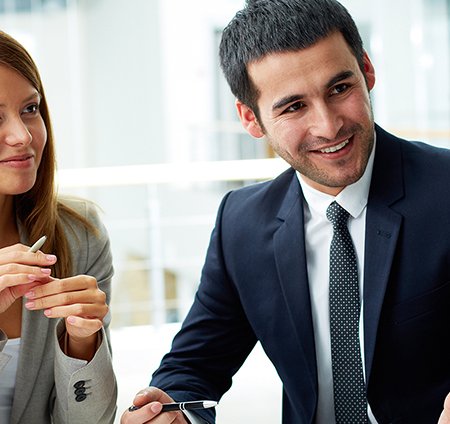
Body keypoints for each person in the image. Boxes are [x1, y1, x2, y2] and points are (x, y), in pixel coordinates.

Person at [121, 0, 450, 423]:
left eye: (339, 89)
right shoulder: (241, 222)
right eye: (293, 106)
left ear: (366, 70)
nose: (329, 126)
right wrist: (167, 411)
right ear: (251, 119)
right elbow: (193, 367)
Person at [0, 30, 117, 423]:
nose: (22, 136)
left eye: (30, 109)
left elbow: (90, 421)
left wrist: (83, 343)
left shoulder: (78, 235)